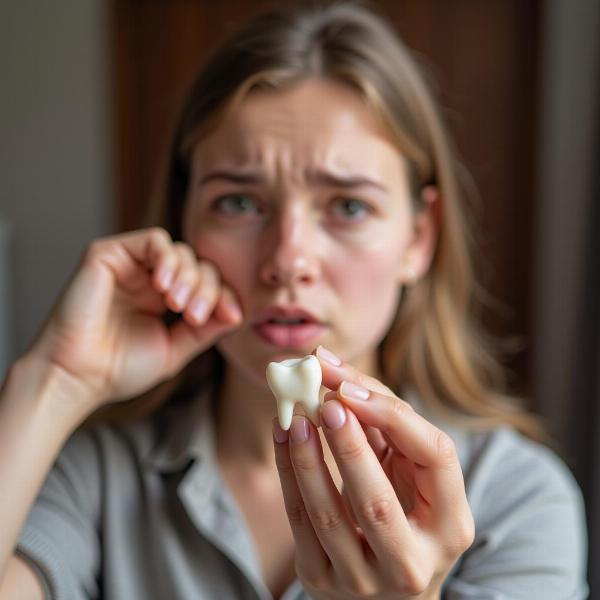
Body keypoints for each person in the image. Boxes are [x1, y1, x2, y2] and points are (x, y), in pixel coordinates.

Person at [0, 1, 588, 599]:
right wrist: (53, 379)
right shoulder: (92, 478)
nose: (287, 260)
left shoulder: (515, 498)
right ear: (185, 223)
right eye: (240, 203)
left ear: (418, 237)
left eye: (348, 207)